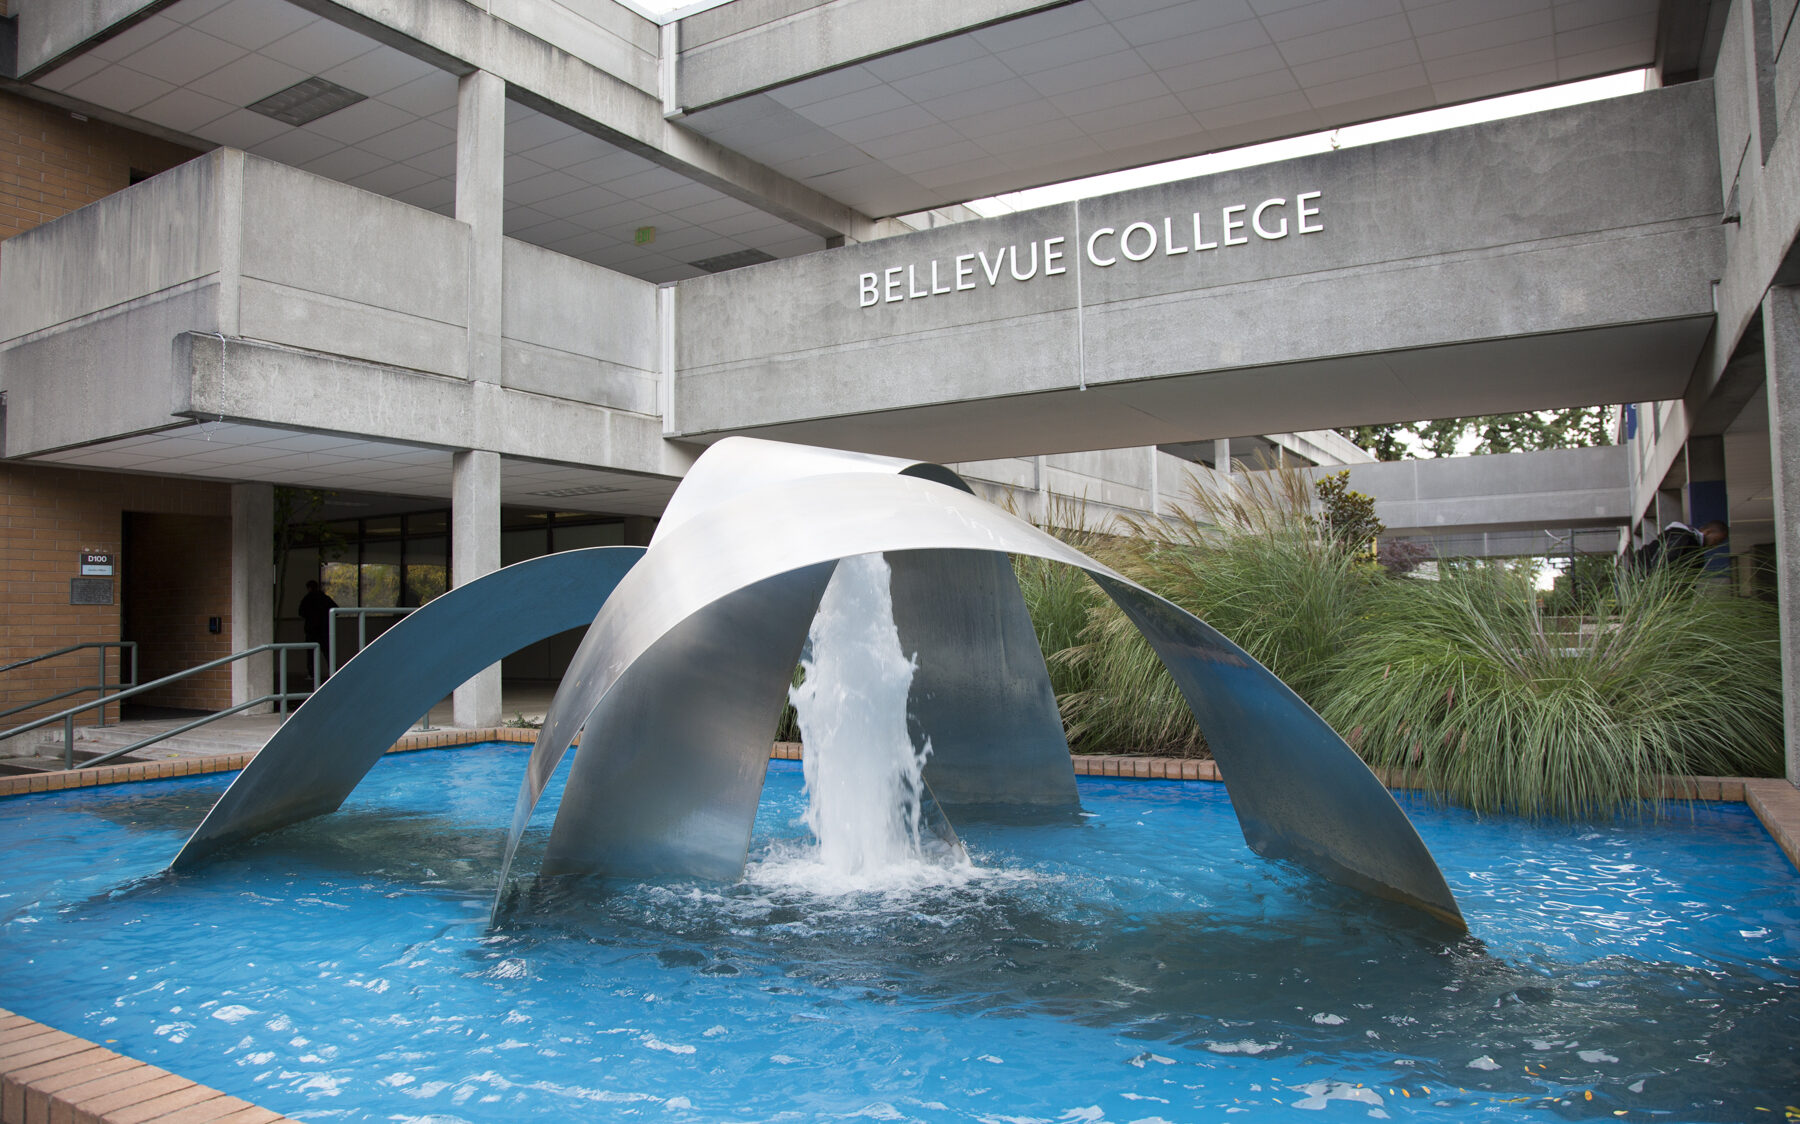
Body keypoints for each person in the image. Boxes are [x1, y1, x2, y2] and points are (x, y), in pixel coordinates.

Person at [1635, 519, 1728, 572]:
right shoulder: (1685, 539)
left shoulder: (1683, 538)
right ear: (1708, 532)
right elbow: (1665, 562)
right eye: (1716, 540)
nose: (1715, 545)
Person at [297, 579, 338, 682]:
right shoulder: (325, 598)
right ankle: (333, 673)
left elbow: (301, 612)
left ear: (309, 588)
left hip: (311, 630)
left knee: (311, 654)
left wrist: (311, 617)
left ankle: (312, 674)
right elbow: (336, 610)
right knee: (328, 653)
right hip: (324, 630)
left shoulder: (307, 599)